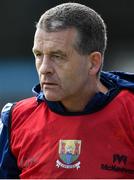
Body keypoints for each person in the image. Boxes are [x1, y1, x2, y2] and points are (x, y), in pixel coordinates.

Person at [0, 2, 134, 179]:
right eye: (39, 55)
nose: (44, 68)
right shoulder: (15, 119)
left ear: (93, 62)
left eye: (57, 56)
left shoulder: (130, 112)